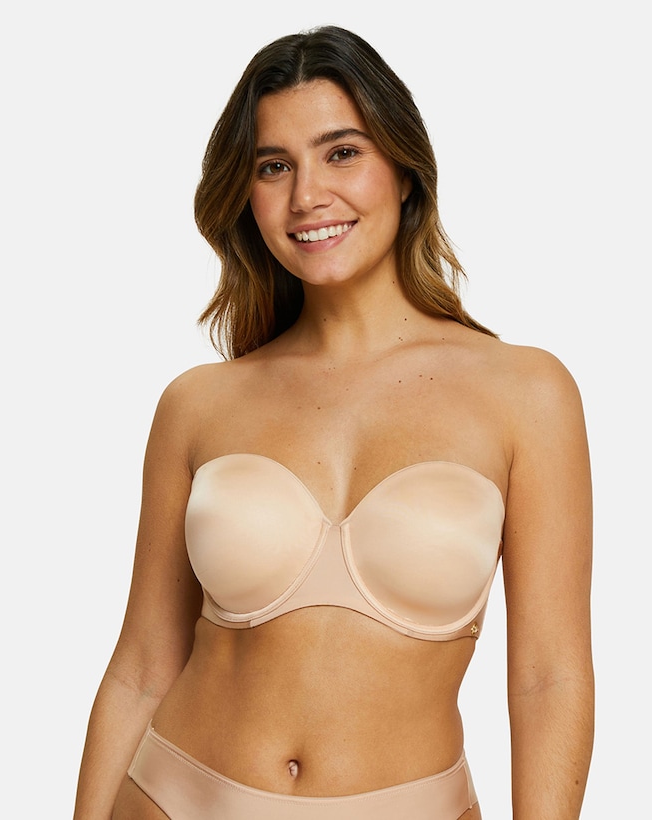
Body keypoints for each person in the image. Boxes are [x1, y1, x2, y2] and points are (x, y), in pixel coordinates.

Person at [73, 25, 594, 820]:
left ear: (404, 170)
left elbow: (548, 677)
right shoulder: (199, 403)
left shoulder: (525, 392)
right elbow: (142, 668)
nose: (306, 196)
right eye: (272, 166)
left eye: (341, 153)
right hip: (175, 798)